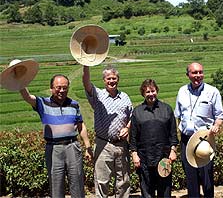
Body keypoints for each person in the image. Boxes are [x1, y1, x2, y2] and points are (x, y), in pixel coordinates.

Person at [19, 74, 93, 198]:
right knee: (56, 184)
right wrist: (19, 80)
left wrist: (88, 147)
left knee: (78, 182)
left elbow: (81, 126)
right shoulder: (42, 103)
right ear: (51, 88)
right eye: (58, 87)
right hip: (53, 149)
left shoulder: (74, 104)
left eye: (65, 88)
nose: (62, 91)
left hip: (72, 146)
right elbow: (27, 97)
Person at [174, 62, 223, 197]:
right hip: (186, 139)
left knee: (206, 177)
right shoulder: (182, 91)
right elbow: (178, 115)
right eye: (194, 73)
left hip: (204, 140)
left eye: (200, 72)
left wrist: (217, 125)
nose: (198, 75)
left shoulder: (212, 92)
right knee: (190, 177)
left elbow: (220, 116)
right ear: (188, 75)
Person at [82, 65, 132, 198]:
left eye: (114, 78)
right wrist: (85, 64)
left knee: (123, 181)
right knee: (102, 181)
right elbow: (86, 82)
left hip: (121, 145)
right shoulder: (98, 95)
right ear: (104, 80)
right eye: (108, 78)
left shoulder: (125, 97)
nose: (111, 81)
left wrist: (127, 127)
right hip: (103, 145)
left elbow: (132, 117)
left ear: (118, 79)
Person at [129, 79, 179, 198]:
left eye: (153, 91)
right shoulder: (137, 112)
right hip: (144, 158)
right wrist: (134, 154)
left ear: (157, 91)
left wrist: (173, 151)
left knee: (165, 191)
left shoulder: (166, 109)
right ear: (143, 93)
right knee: (147, 191)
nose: (151, 94)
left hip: (164, 157)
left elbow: (173, 133)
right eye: (147, 92)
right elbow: (133, 136)